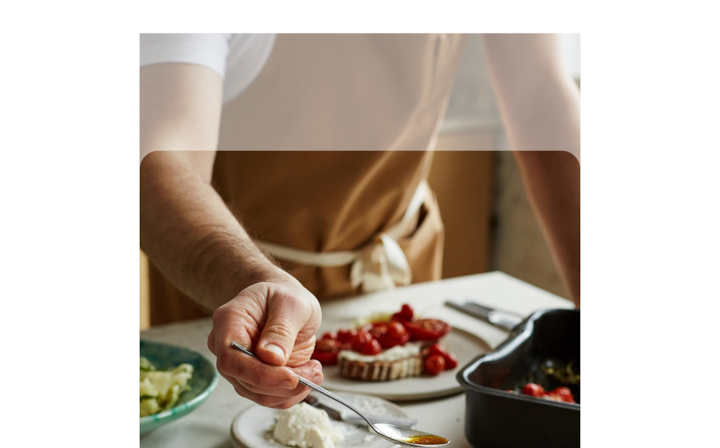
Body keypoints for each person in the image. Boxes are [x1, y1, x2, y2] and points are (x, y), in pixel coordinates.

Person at [140, 34, 580, 410]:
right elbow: (159, 162)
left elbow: (541, 101)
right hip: (238, 296)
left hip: (401, 270)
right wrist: (251, 279)